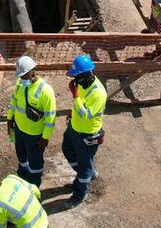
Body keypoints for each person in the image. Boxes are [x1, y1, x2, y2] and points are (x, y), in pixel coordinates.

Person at [61, 54, 106, 208]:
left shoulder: (99, 93)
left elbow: (86, 115)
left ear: (86, 75)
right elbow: (79, 105)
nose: (74, 81)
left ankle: (80, 194)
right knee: (66, 149)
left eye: (76, 77)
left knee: (85, 165)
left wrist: (75, 96)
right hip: (74, 127)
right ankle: (87, 174)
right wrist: (72, 112)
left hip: (86, 133)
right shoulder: (82, 83)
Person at [6, 56, 56, 187]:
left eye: (23, 75)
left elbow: (51, 118)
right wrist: (9, 119)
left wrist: (45, 138)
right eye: (20, 76)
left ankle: (34, 186)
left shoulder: (46, 91)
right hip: (19, 130)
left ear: (32, 71)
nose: (21, 78)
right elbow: (14, 102)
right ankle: (22, 177)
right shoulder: (19, 85)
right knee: (21, 157)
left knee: (35, 163)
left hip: (34, 136)